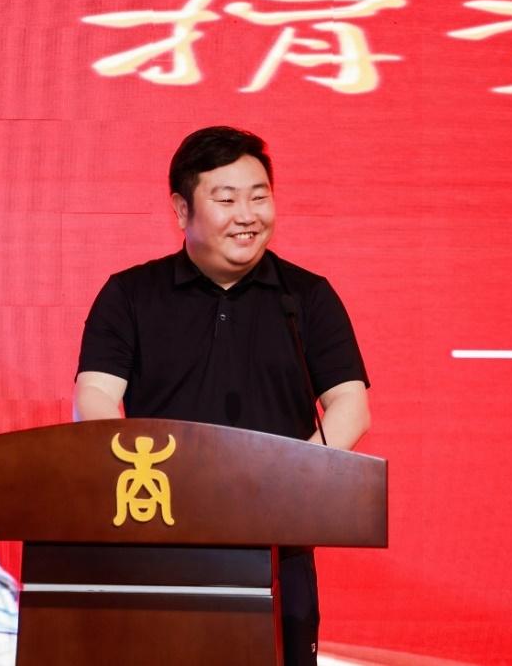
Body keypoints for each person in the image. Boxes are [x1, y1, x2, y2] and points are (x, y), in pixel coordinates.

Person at [73, 125, 370, 666]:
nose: (247, 215)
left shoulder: (306, 297)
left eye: (259, 197)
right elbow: (94, 393)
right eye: (227, 199)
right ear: (181, 209)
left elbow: (350, 403)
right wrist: (137, 468)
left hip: (278, 541)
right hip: (159, 538)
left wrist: (295, 476)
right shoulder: (131, 295)